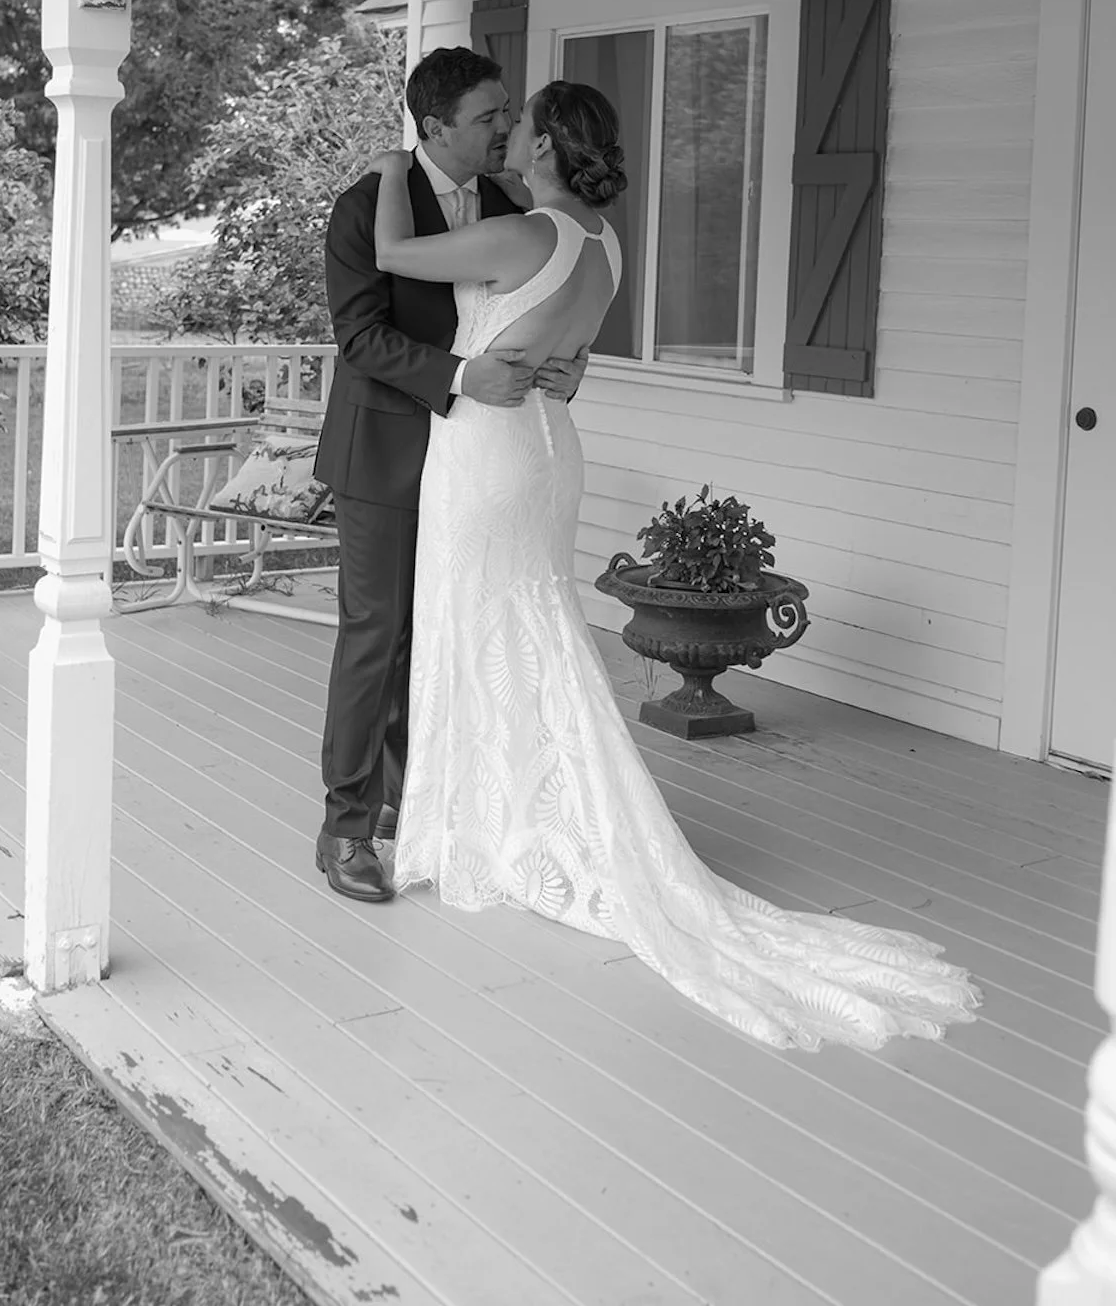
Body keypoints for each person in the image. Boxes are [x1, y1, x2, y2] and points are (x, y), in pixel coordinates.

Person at [363, 77, 981, 1052]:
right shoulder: (601, 246)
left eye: (521, 129)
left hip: (486, 450)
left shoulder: (528, 234)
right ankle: (507, 813)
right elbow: (574, 359)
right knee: (529, 626)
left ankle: (480, 827)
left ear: (549, 149)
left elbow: (391, 252)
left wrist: (394, 163)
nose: (510, 137)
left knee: (473, 621)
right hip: (550, 444)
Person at [313, 47, 587, 907]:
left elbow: (549, 298)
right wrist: (463, 376)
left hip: (480, 462)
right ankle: (346, 830)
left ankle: (419, 801)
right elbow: (359, 338)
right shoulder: (363, 208)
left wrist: (569, 365)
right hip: (389, 452)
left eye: (508, 112)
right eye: (487, 116)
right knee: (379, 634)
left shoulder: (513, 202)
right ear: (434, 127)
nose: (505, 126)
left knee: (447, 632)